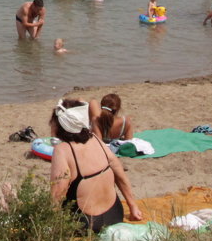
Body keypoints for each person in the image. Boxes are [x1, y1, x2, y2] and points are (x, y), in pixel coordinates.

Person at [48, 97, 144, 233]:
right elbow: (120, 174)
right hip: (115, 215)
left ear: (60, 125)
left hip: (86, 223)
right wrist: (133, 206)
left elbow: (58, 192)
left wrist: (49, 225)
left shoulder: (62, 150)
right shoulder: (96, 140)